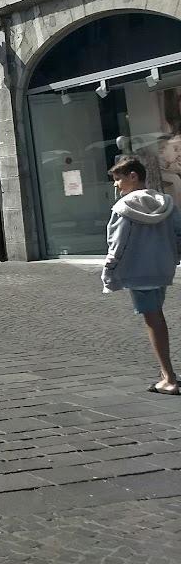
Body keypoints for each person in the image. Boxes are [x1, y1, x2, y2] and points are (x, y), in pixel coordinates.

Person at [103, 156, 181, 395]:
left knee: (153, 320)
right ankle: (166, 373)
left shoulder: (123, 208)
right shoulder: (166, 203)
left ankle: (169, 378)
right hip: (162, 269)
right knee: (157, 316)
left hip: (139, 273)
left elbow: (118, 245)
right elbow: (179, 236)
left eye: (118, 179)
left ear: (133, 176)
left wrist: (109, 273)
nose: (116, 185)